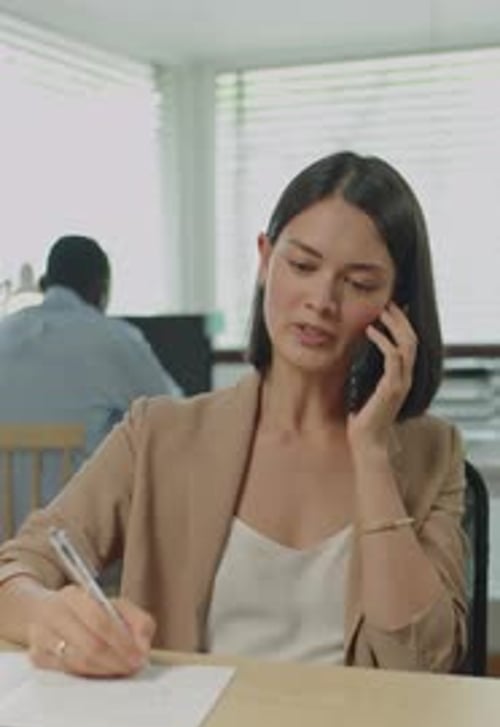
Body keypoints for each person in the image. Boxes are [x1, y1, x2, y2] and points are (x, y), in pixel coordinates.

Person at [0, 153, 468, 677]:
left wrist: (372, 454)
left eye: (359, 283)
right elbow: (16, 570)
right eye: (303, 266)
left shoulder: (434, 453)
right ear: (265, 260)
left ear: (396, 305)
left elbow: (422, 663)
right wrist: (49, 617)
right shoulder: (158, 433)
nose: (321, 300)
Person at [0, 234, 181, 535]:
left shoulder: (4, 332)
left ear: (45, 284)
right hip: (78, 544)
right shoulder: (115, 339)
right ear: (100, 290)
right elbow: (175, 417)